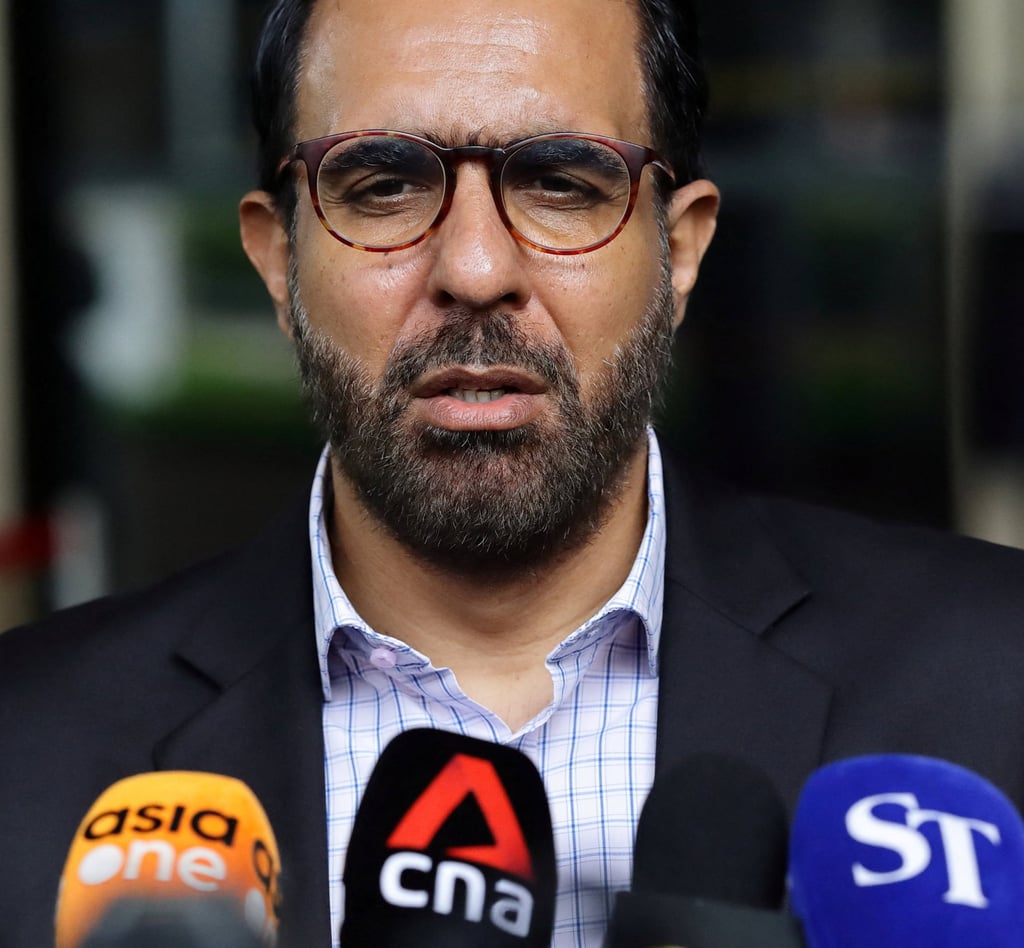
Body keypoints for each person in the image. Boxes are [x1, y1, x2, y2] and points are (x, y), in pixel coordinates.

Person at [3, 0, 1024, 945]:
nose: (476, 271)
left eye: (562, 183)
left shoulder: (998, 682)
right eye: (384, 186)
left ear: (680, 252)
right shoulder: (24, 753)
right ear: (278, 260)